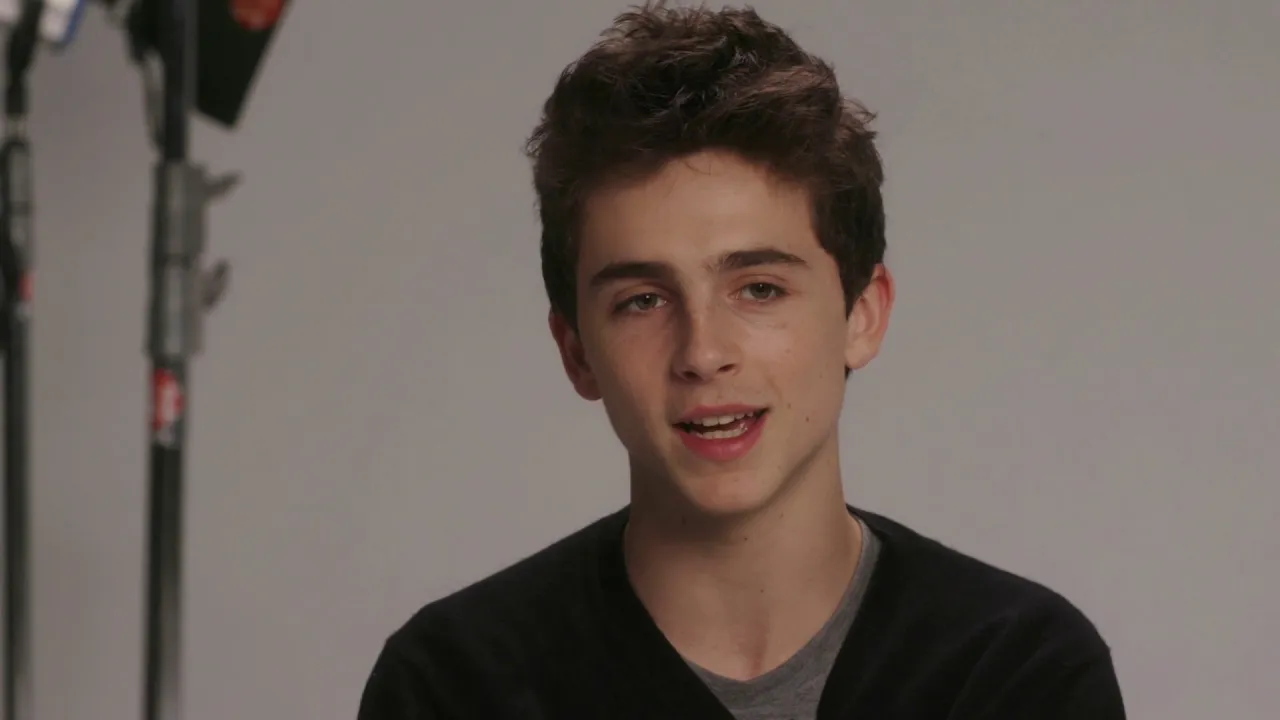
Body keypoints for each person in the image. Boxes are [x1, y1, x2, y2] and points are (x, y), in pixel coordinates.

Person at [356, 4, 1126, 718]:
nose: (703, 352)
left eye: (759, 288)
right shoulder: (455, 686)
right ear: (576, 351)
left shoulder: (1017, 673)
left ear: (862, 314)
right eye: (642, 300)